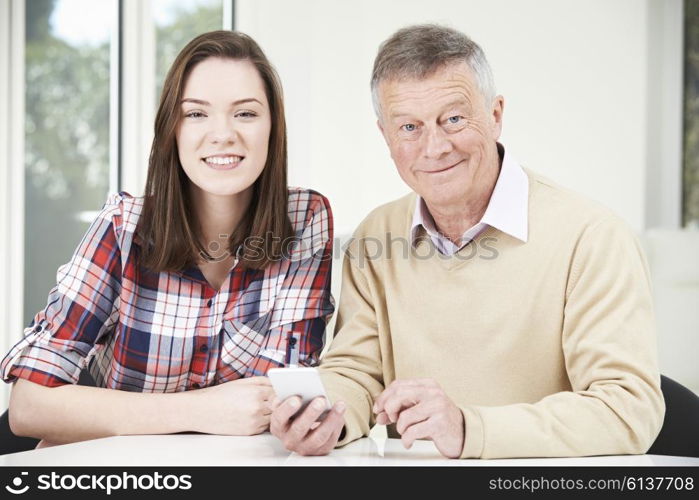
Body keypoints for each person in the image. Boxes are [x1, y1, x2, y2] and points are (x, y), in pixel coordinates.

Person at [270, 24, 664, 459]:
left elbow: (627, 410)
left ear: (495, 115)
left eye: (454, 119)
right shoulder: (375, 236)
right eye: (409, 127)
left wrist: (469, 428)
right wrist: (327, 416)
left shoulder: (592, 237)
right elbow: (358, 372)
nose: (435, 147)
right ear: (385, 137)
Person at [1, 30, 334, 445]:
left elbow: (283, 396)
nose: (223, 134)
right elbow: (29, 406)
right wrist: (201, 410)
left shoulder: (305, 220)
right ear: (172, 130)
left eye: (245, 113)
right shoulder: (124, 227)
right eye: (196, 114)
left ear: (273, 127)